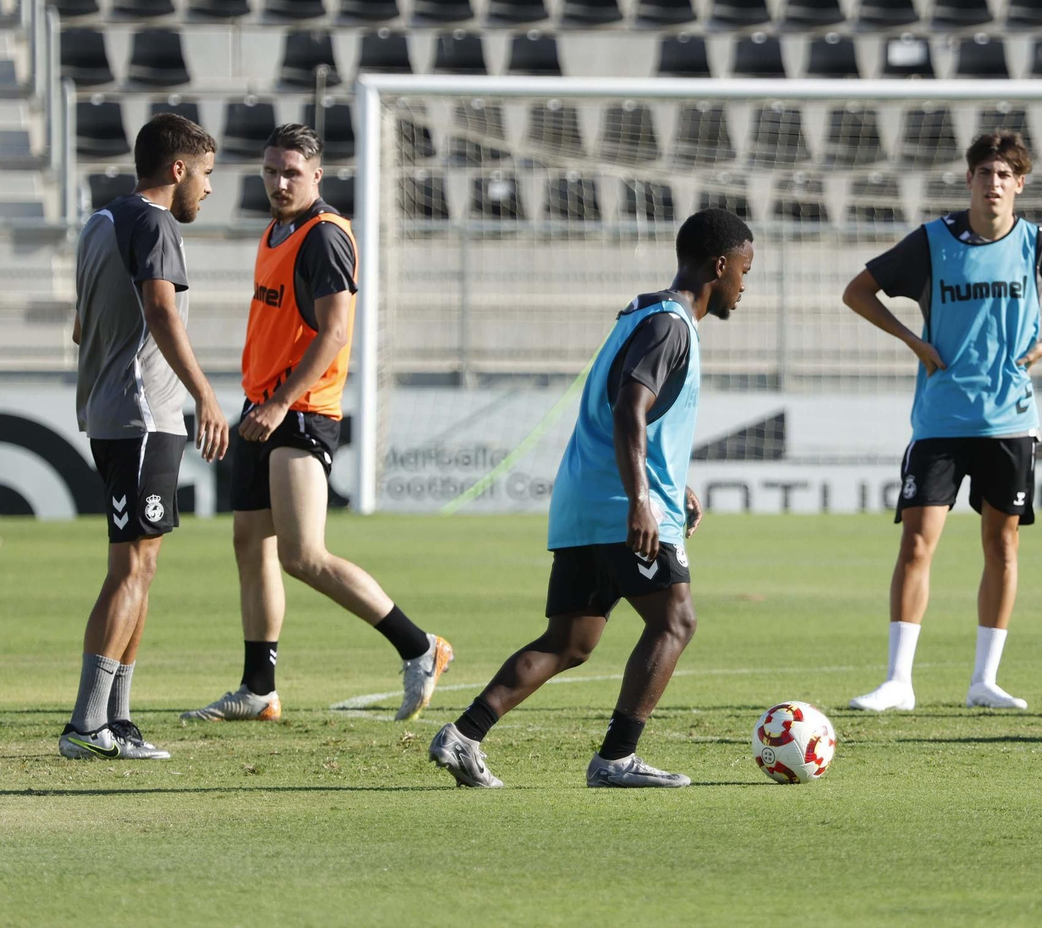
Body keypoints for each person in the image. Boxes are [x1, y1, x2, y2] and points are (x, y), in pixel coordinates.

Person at [429, 208, 755, 788]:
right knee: (676, 622)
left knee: (570, 642)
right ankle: (616, 758)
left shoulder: (644, 315)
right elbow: (629, 408)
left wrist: (670, 483)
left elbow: (629, 413)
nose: (744, 286)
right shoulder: (671, 325)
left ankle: (464, 735)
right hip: (620, 508)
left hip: (585, 501)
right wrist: (642, 500)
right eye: (744, 272)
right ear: (720, 265)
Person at [183, 124, 453, 724]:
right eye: (271, 172)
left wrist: (280, 403)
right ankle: (259, 689)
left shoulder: (325, 236)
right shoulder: (276, 230)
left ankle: (419, 646)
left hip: (300, 411)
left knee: (303, 554)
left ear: (317, 177)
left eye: (292, 173)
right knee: (251, 546)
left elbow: (334, 332)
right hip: (264, 408)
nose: (279, 183)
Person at [843, 131, 1042, 713]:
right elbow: (858, 291)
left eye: (1004, 175)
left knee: (1003, 545)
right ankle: (898, 681)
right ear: (968, 180)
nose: (993, 183)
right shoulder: (932, 242)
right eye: (984, 173)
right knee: (917, 543)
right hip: (941, 419)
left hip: (1010, 421)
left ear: (1020, 184)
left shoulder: (1037, 247)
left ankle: (984, 682)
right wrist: (913, 340)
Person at [62, 113, 231, 760]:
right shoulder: (154, 222)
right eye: (207, 175)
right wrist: (206, 397)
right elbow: (161, 309)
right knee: (130, 567)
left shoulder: (102, 221)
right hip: (141, 416)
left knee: (143, 565)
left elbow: (82, 327)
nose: (210, 190)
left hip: (124, 415)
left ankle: (117, 718)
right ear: (178, 170)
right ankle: (85, 724)